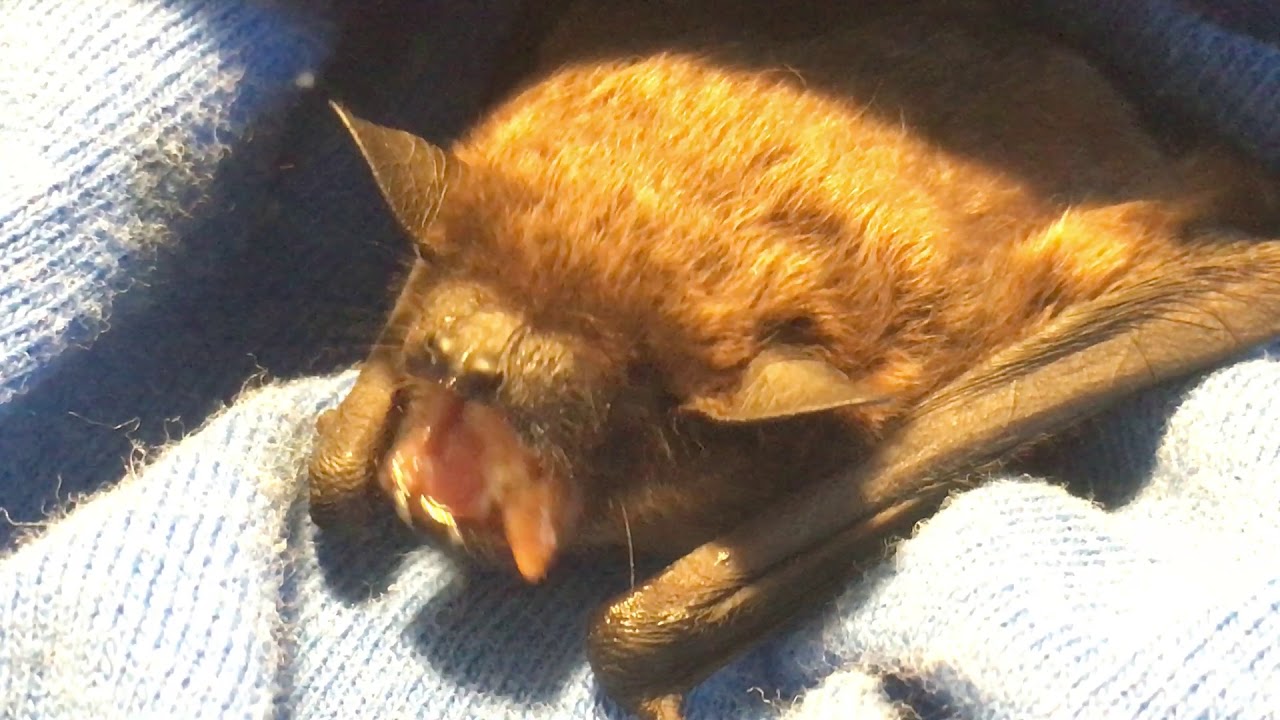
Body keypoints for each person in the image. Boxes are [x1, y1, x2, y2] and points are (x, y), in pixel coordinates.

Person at [2, 1, 1277, 717]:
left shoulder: (958, 325)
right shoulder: (537, 134)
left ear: (754, 411)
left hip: (1045, 220)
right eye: (448, 308)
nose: (468, 372)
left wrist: (666, 624)